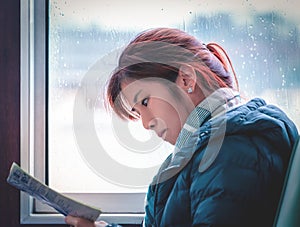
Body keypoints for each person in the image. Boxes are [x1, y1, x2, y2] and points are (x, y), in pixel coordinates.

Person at [65, 28, 299, 227]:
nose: (146, 123)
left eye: (145, 102)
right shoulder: (218, 144)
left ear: (186, 79)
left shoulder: (231, 152)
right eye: (138, 112)